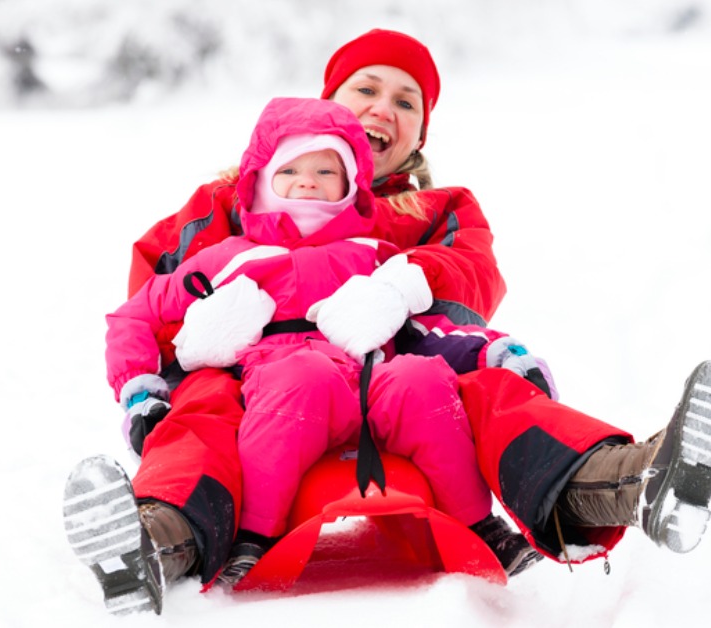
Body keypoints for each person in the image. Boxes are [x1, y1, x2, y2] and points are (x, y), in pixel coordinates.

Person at [63, 29, 711, 616]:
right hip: (256, 385)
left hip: (394, 367)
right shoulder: (240, 196)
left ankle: (632, 482)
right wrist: (196, 345)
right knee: (203, 408)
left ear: (422, 132)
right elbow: (154, 294)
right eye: (366, 89)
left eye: (405, 100)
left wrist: (409, 281)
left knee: (487, 391)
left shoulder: (433, 211)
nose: (382, 108)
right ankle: (156, 540)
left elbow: (472, 279)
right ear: (328, 103)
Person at [103, 97, 538, 589]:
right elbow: (134, 315)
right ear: (259, 181)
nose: (308, 181)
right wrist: (141, 393)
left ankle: (481, 525)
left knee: (422, 378)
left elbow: (427, 323)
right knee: (301, 376)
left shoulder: (374, 254)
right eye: (290, 169)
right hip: (284, 389)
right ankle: (254, 538)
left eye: (325, 169)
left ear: (352, 183)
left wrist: (497, 350)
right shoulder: (228, 257)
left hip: (372, 381)